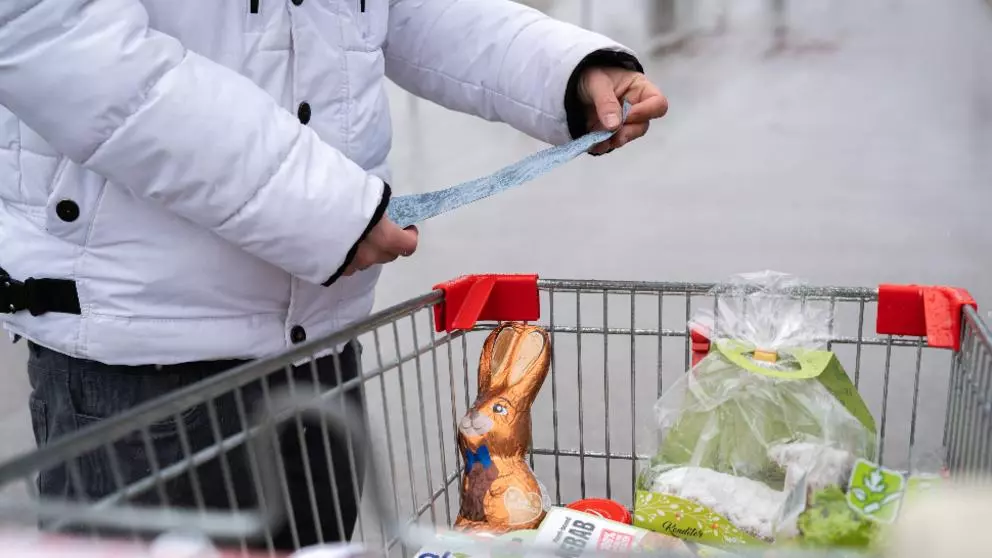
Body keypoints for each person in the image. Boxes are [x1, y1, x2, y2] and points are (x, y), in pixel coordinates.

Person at [0, 0, 668, 551]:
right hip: (144, 361)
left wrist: (563, 72)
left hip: (317, 343)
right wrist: (322, 210)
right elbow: (60, 41)